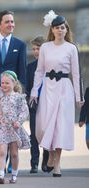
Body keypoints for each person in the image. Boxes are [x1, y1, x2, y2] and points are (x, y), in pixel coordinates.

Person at [30, 10, 83, 177]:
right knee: (44, 125)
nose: (60, 30)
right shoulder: (45, 47)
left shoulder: (71, 48)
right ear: (52, 30)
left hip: (64, 89)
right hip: (47, 88)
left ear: (66, 30)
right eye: (57, 28)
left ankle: (58, 163)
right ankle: (51, 154)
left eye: (62, 27)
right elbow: (39, 71)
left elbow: (76, 74)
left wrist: (78, 97)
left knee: (60, 126)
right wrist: (34, 92)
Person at [0, 10, 27, 176]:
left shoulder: (20, 45)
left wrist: (20, 95)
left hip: (11, 97)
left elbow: (22, 72)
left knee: (11, 128)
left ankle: (7, 163)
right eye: (7, 22)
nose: (11, 24)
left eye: (12, 21)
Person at [26, 36, 49, 173]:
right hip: (35, 104)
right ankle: (34, 162)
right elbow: (27, 87)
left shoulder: (52, 65)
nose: (35, 52)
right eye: (34, 49)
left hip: (49, 104)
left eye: (38, 48)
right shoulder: (30, 67)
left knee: (48, 133)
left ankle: (46, 162)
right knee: (34, 134)